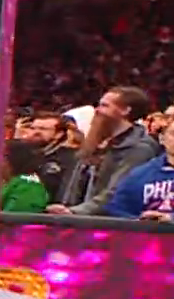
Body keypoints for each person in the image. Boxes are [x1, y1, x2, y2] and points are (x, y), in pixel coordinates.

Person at [49, 86, 161, 217]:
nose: (97, 110)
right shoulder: (95, 143)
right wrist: (64, 209)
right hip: (79, 219)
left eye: (104, 105)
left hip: (109, 223)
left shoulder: (139, 148)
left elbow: (119, 190)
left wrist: (76, 211)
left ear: (125, 110)